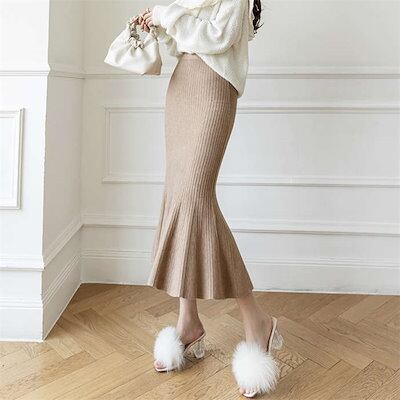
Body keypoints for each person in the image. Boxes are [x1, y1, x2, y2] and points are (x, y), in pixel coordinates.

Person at [138, 0, 283, 397]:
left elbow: (217, 37)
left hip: (215, 86)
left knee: (195, 200)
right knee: (178, 197)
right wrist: (158, 25)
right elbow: (184, 41)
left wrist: (167, 15)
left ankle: (257, 321)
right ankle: (188, 322)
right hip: (182, 85)